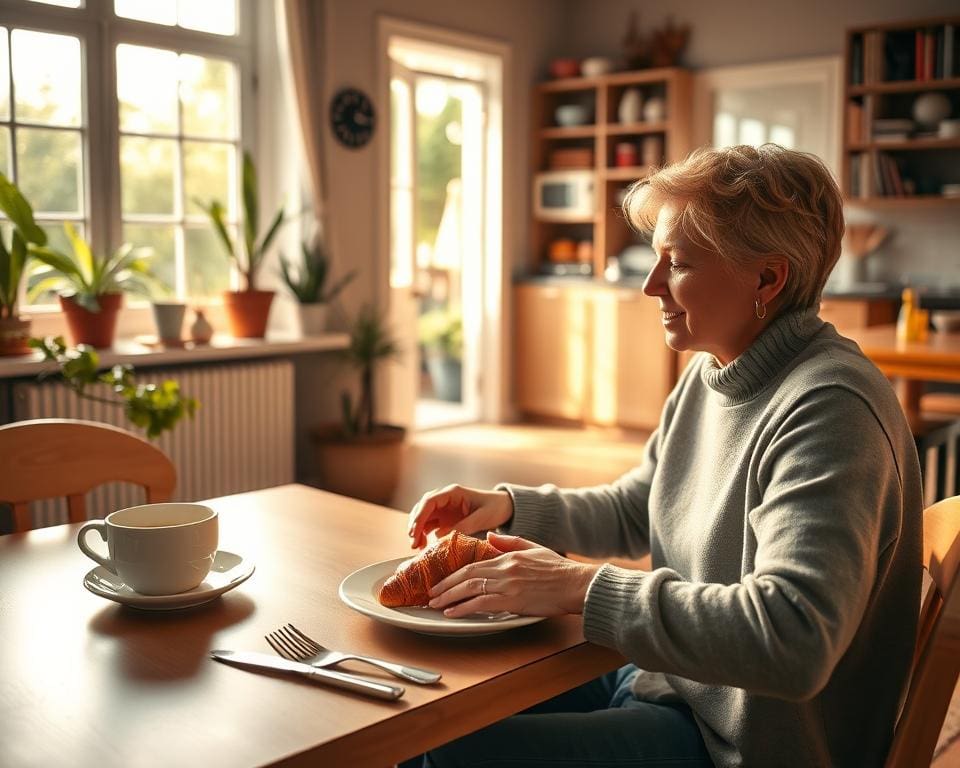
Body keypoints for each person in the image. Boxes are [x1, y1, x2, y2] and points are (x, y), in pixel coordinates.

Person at [405, 144, 923, 768]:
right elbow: (640, 504)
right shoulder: (713, 370)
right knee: (416, 710)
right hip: (671, 684)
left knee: (440, 754)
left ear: (767, 278)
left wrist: (581, 586)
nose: (650, 286)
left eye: (676, 264)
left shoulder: (830, 411)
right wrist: (508, 509)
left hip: (739, 745)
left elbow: (794, 638)